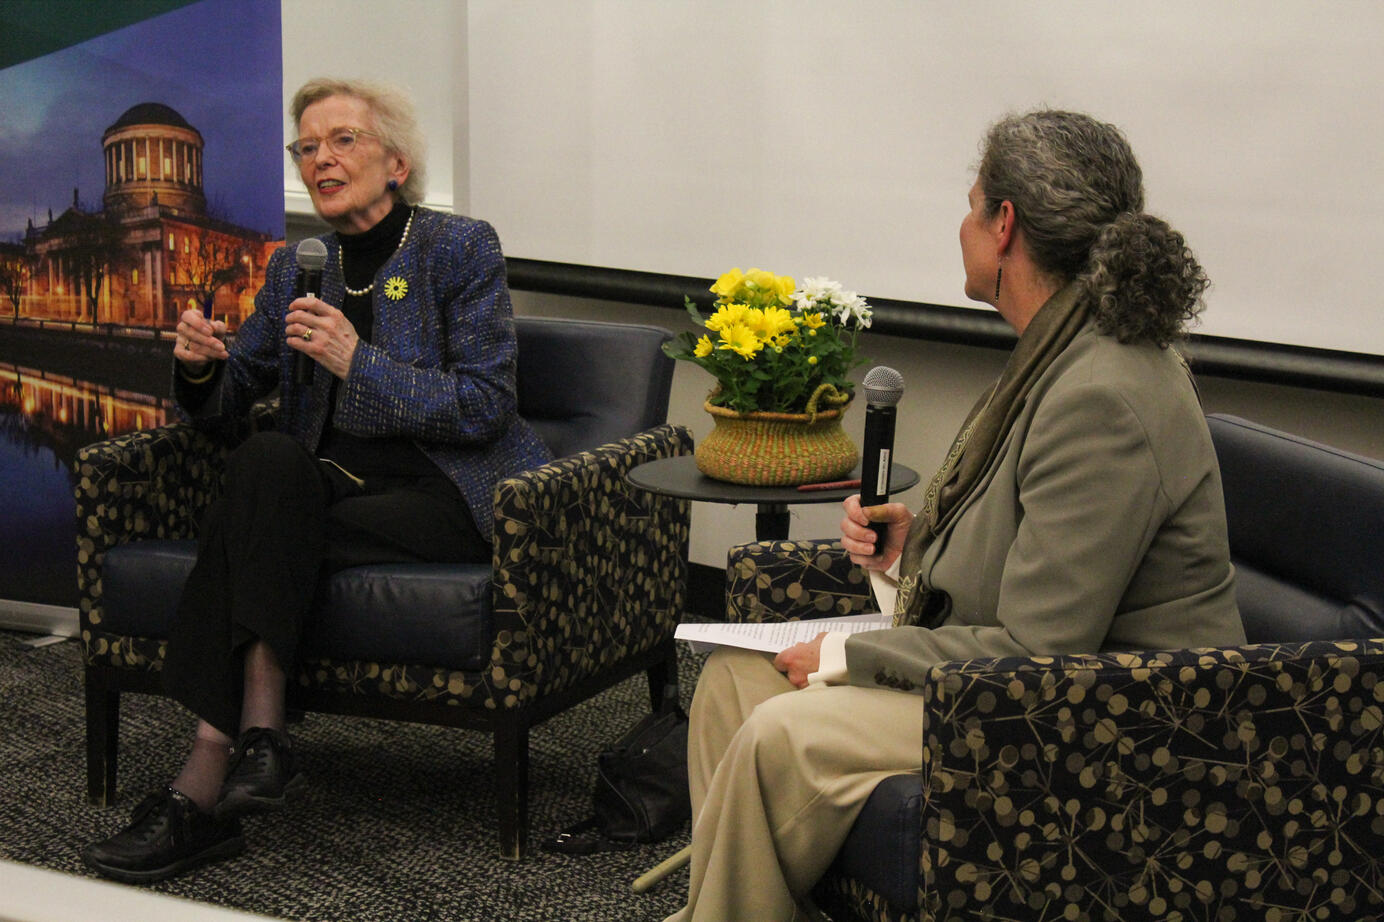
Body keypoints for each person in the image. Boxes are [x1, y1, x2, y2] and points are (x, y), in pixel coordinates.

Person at [666, 110, 1247, 921]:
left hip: (1114, 727)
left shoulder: (1103, 392)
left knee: (777, 737)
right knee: (733, 686)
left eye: (972, 204)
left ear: (1003, 225)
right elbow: (1026, 547)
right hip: (1026, 685)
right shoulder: (1063, 347)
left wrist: (843, 654)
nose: (963, 223)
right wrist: (909, 555)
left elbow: (1039, 651)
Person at [82, 77, 550, 883]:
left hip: (445, 490)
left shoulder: (460, 247)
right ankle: (260, 741)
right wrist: (197, 368)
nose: (320, 159)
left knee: (250, 531)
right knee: (263, 461)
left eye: (342, 141)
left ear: (396, 162)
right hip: (324, 484)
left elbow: (484, 405)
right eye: (307, 147)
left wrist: (356, 361)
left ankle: (202, 781)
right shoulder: (300, 265)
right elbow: (234, 402)